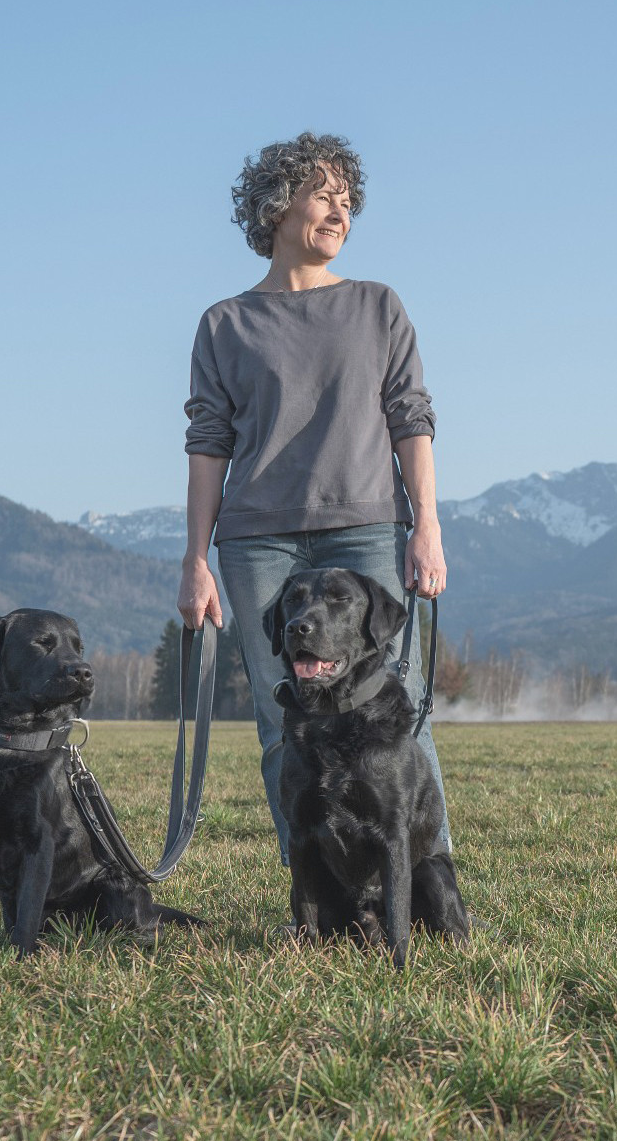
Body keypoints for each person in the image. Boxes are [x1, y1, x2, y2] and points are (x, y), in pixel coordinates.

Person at [178, 132, 452, 866]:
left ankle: (432, 889)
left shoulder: (377, 306)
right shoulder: (224, 324)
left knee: (400, 712)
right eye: (324, 193)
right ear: (278, 204)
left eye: (348, 200)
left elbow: (411, 417)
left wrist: (427, 526)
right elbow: (209, 444)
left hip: (367, 531)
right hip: (257, 544)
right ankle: (318, 896)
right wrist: (195, 561)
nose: (340, 210)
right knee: (283, 725)